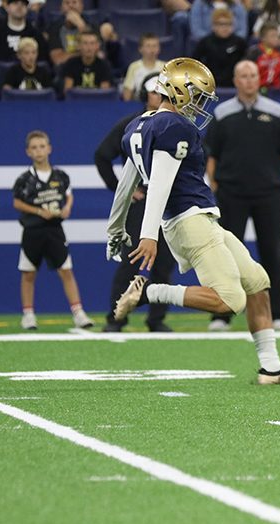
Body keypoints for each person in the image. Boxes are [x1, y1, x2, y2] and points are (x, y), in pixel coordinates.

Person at [107, 58, 280, 384]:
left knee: (257, 281)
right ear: (177, 90)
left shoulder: (139, 125)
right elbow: (157, 183)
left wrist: (115, 227)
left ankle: (271, 368)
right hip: (188, 221)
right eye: (197, 95)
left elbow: (127, 182)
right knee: (230, 300)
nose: (199, 104)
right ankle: (149, 294)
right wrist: (148, 235)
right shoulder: (175, 127)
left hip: (199, 218)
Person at [204, 60, 280, 330]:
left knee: (272, 253)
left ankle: (276, 313)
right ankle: (221, 315)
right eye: (243, 76)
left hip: (269, 194)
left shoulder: (277, 112)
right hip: (231, 194)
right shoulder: (222, 114)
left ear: (260, 79)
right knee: (227, 256)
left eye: (253, 76)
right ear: (235, 80)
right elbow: (212, 155)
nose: (248, 80)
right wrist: (215, 186)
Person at [96, 76, 175, 332]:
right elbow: (102, 155)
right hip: (141, 202)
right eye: (155, 93)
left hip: (167, 200)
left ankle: (157, 318)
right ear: (145, 96)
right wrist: (125, 190)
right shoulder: (131, 125)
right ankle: (116, 317)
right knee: (131, 259)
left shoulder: (175, 124)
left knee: (164, 260)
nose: (159, 98)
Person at [14, 130, 94, 331]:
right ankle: (28, 314)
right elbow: (17, 202)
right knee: (29, 273)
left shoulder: (61, 176)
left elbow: (68, 195)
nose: (39, 151)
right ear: (28, 152)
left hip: (55, 230)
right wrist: (39, 211)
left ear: (49, 148)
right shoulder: (24, 179)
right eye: (34, 148)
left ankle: (78, 313)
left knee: (66, 270)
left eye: (42, 146)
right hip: (32, 231)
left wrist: (67, 208)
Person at [0, 0, 46, 68]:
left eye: (23, 4)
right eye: (15, 3)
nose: (19, 7)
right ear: (7, 7)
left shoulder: (35, 34)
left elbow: (43, 58)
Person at [191, 8, 246, 88]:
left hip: (234, 86)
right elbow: (195, 63)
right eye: (221, 24)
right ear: (213, 26)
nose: (225, 27)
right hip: (210, 86)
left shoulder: (240, 43)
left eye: (228, 24)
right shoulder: (205, 42)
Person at [246, 21, 280, 90]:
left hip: (278, 91)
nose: (276, 39)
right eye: (273, 36)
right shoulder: (254, 52)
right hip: (257, 90)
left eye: (277, 36)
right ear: (263, 38)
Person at [122, 33, 164, 102]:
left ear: (159, 49)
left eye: (154, 46)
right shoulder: (134, 67)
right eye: (148, 46)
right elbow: (127, 96)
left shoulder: (165, 67)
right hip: (139, 103)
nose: (152, 49)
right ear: (140, 49)